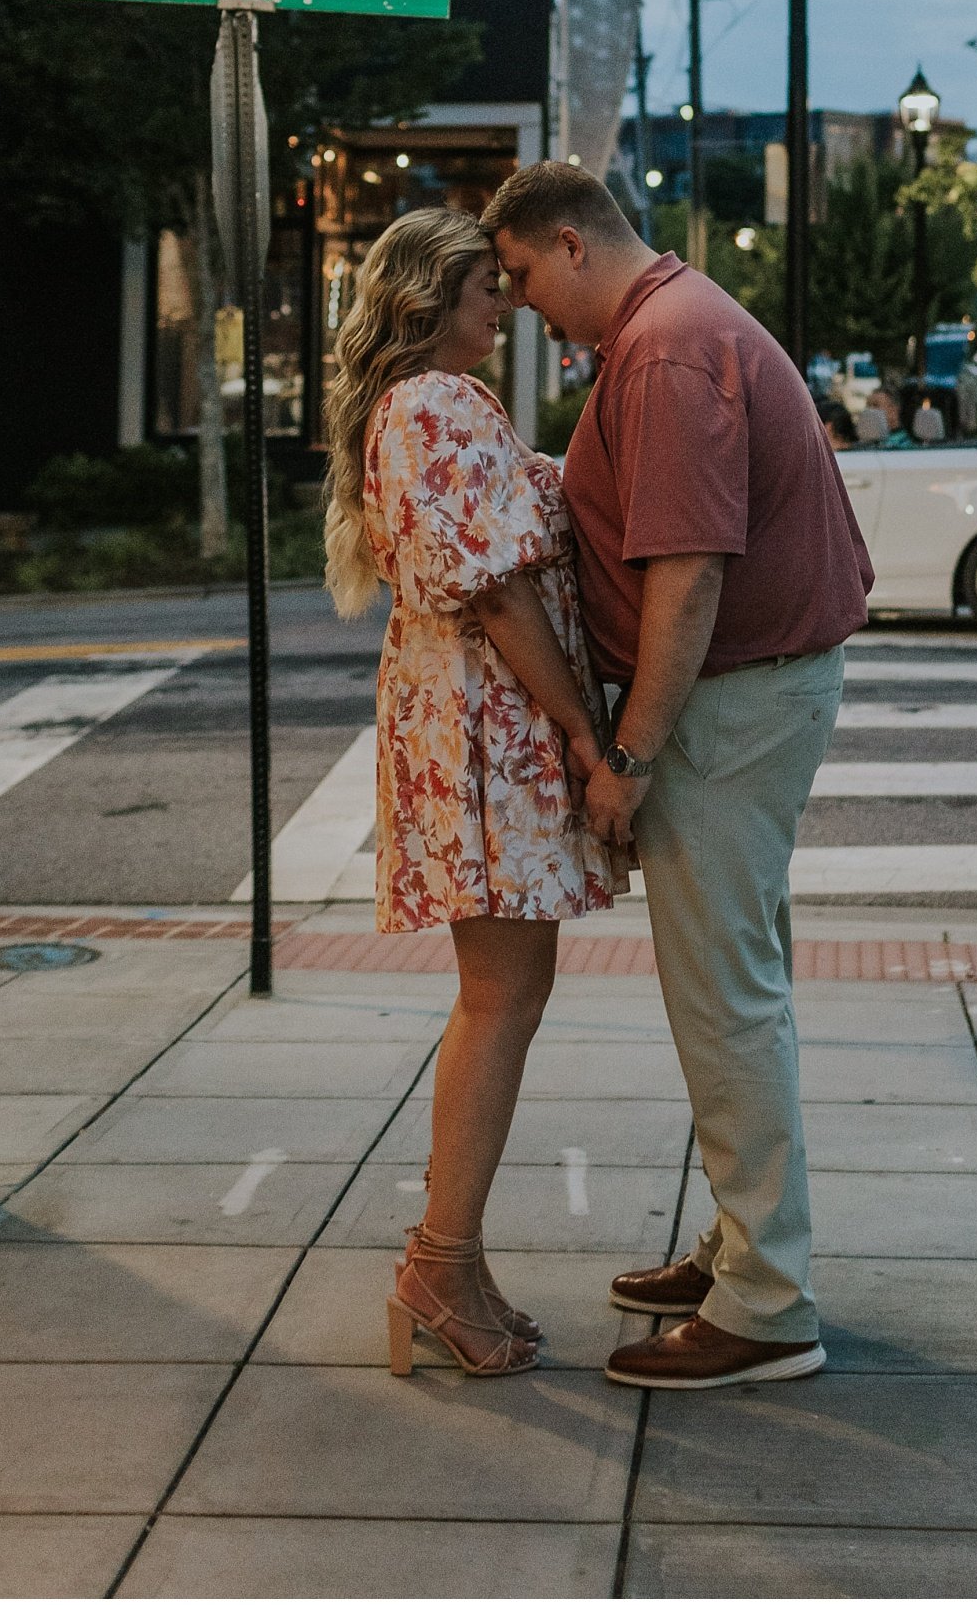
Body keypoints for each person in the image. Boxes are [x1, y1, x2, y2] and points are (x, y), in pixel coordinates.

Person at [479, 161, 873, 1391]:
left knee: (723, 998)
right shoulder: (682, 320)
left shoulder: (661, 352)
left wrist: (630, 757)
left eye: (522, 276)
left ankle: (764, 1304)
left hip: (728, 706)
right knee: (739, 982)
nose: (521, 304)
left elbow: (689, 573)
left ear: (570, 241)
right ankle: (746, 1248)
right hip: (756, 692)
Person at [322, 207, 628, 1379]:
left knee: (506, 990)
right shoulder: (436, 406)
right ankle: (439, 1264)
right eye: (481, 288)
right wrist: (585, 731)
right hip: (481, 731)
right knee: (499, 997)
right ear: (427, 302)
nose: (501, 303)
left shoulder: (427, 408)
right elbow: (498, 597)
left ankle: (456, 1258)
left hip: (458, 724)